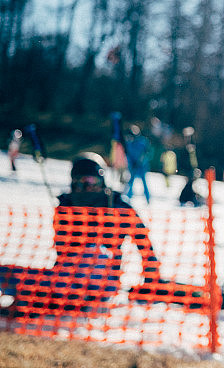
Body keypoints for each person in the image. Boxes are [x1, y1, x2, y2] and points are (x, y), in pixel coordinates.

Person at [0, 153, 163, 317]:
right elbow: (63, 248)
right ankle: (40, 299)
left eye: (91, 182)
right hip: (66, 276)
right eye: (79, 183)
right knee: (7, 273)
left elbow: (144, 245)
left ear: (101, 181)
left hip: (101, 280)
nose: (85, 188)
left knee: (94, 253)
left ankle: (49, 300)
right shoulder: (66, 206)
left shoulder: (118, 206)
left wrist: (151, 280)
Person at [124, 125, 152, 203]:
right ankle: (128, 197)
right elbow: (128, 154)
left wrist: (141, 162)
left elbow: (147, 154)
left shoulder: (142, 142)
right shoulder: (129, 143)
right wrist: (131, 164)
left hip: (141, 166)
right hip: (133, 166)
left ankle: (148, 198)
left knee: (144, 182)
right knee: (131, 181)